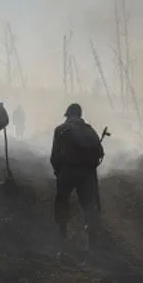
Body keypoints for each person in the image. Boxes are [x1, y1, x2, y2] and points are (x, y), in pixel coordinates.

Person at [50, 103, 104, 248]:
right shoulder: (90, 130)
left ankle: (62, 233)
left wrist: (57, 170)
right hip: (87, 173)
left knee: (62, 201)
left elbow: (54, 155)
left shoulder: (61, 129)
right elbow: (100, 153)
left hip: (67, 171)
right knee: (89, 204)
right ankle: (93, 237)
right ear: (80, 115)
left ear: (68, 115)